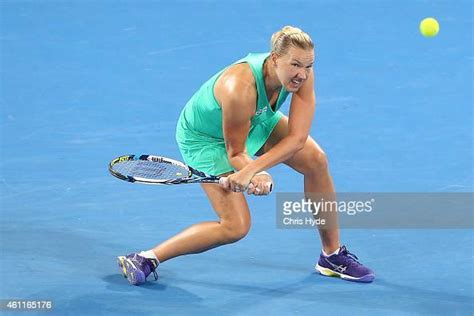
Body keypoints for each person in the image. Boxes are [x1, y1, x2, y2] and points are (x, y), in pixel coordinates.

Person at [117, 25, 374, 285]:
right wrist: (255, 172)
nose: (302, 74)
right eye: (295, 65)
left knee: (316, 160)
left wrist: (253, 171)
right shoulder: (238, 87)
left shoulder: (303, 74)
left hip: (257, 117)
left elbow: (296, 139)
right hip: (207, 139)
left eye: (308, 66)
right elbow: (236, 151)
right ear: (275, 58)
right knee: (235, 226)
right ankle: (146, 258)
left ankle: (331, 256)